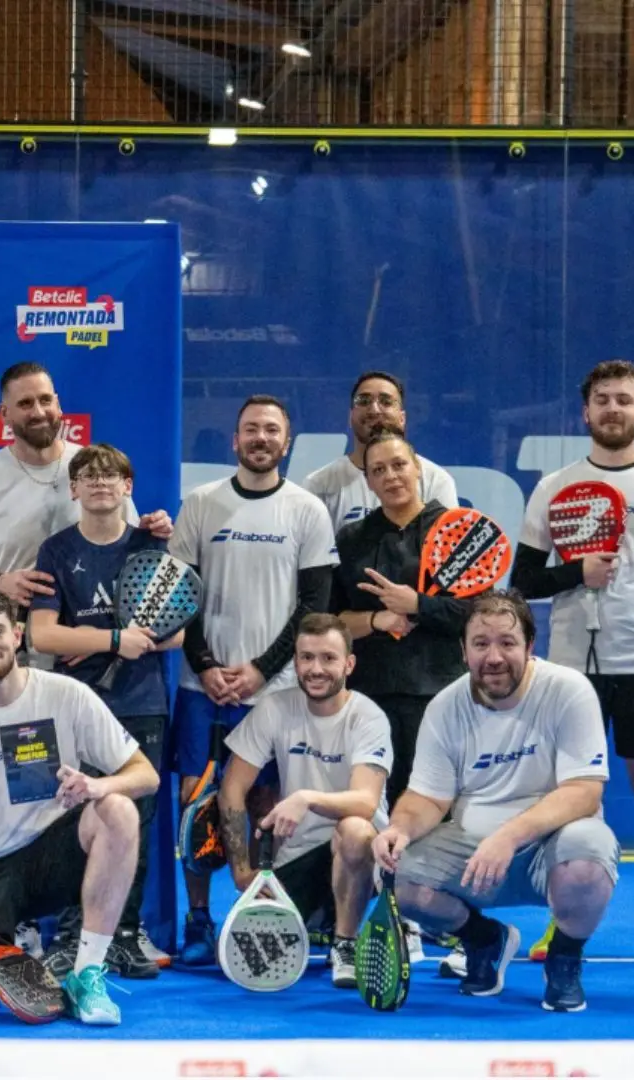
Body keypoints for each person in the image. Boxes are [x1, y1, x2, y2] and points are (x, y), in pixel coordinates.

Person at [513, 360, 634, 970]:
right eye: (603, 400)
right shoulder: (553, 487)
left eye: (625, 400)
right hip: (571, 668)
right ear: (586, 412)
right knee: (573, 801)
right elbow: (522, 580)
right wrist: (579, 573)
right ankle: (563, 921)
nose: (613, 409)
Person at [0, 587, 161, 1026]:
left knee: (118, 809)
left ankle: (87, 973)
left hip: (48, 855)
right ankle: (0, 943)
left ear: (18, 634)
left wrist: (96, 786)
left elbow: (146, 775)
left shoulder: (67, 694)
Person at [372, 592, 620, 1013]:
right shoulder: (445, 707)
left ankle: (564, 957)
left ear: (529, 645)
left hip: (550, 847)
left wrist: (508, 837)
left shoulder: (569, 691)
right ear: (463, 650)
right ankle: (484, 940)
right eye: (481, 643)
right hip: (475, 853)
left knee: (589, 859)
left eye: (507, 642)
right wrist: (399, 830)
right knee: (400, 877)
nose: (494, 656)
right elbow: (427, 798)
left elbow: (584, 791)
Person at [167, 395, 337, 965]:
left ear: (286, 442)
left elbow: (314, 605)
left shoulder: (307, 510)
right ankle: (197, 921)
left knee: (264, 805)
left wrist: (262, 670)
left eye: (271, 430)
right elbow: (177, 600)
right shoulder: (200, 504)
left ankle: (260, 910)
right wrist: (208, 666)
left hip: (277, 691)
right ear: (234, 441)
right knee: (198, 806)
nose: (260, 438)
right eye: (250, 430)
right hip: (202, 689)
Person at [27, 443, 182, 977]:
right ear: (72, 489)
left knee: (134, 819)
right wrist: (112, 639)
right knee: (78, 817)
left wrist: (100, 639)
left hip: (141, 704)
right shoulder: (55, 550)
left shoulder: (151, 545)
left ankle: (124, 934)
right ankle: (74, 936)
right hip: (77, 707)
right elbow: (43, 633)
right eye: (87, 477)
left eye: (111, 475)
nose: (99, 484)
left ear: (128, 488)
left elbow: (176, 628)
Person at [331, 428, 475, 975]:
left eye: (399, 465)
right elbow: (328, 622)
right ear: (366, 479)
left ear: (418, 467)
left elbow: (480, 613)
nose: (390, 476)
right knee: (381, 818)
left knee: (447, 816)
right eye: (378, 470)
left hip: (443, 698)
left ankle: (461, 932)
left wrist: (419, 604)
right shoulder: (350, 541)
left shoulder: (457, 529)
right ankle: (398, 923)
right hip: (371, 700)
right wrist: (376, 620)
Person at [217, 614, 391, 989]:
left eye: (328, 658)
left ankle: (344, 944)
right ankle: (317, 922)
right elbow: (232, 789)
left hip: (360, 858)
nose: (316, 669)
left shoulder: (368, 717)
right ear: (295, 662)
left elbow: (365, 802)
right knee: (249, 957)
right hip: (295, 859)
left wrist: (307, 798)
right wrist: (243, 874)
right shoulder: (276, 708)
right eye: (306, 658)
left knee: (354, 830)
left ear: (349, 664)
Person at [0, 361, 169, 618]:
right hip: (5, 641)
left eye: (45, 400)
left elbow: (128, 553)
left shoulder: (96, 467)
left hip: (84, 643)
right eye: (25, 404)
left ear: (58, 404)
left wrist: (148, 533)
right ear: (4, 414)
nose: (38, 412)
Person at [302, 371, 459, 531]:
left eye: (386, 401)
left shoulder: (436, 480)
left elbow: (448, 548)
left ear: (402, 418)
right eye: (363, 401)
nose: (375, 410)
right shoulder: (319, 485)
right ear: (350, 417)